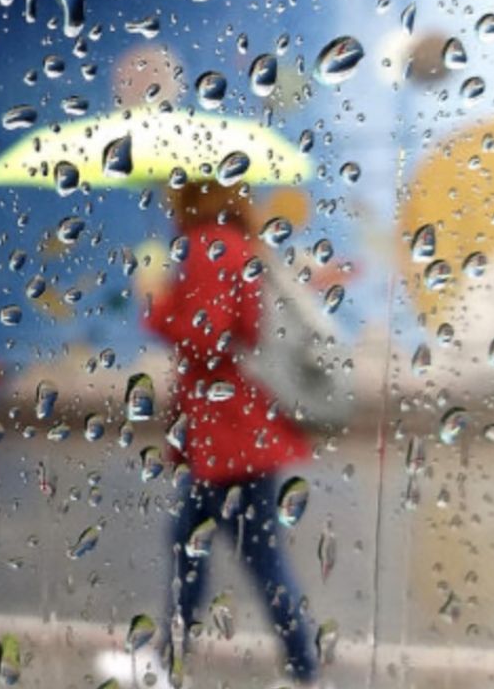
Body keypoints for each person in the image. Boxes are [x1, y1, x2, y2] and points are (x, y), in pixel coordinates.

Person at [137, 181, 319, 686]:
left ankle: (299, 668)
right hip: (238, 430)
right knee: (204, 548)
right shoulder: (241, 247)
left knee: (222, 551)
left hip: (228, 435)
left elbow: (206, 335)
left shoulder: (206, 246)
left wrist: (156, 305)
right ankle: (297, 667)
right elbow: (241, 327)